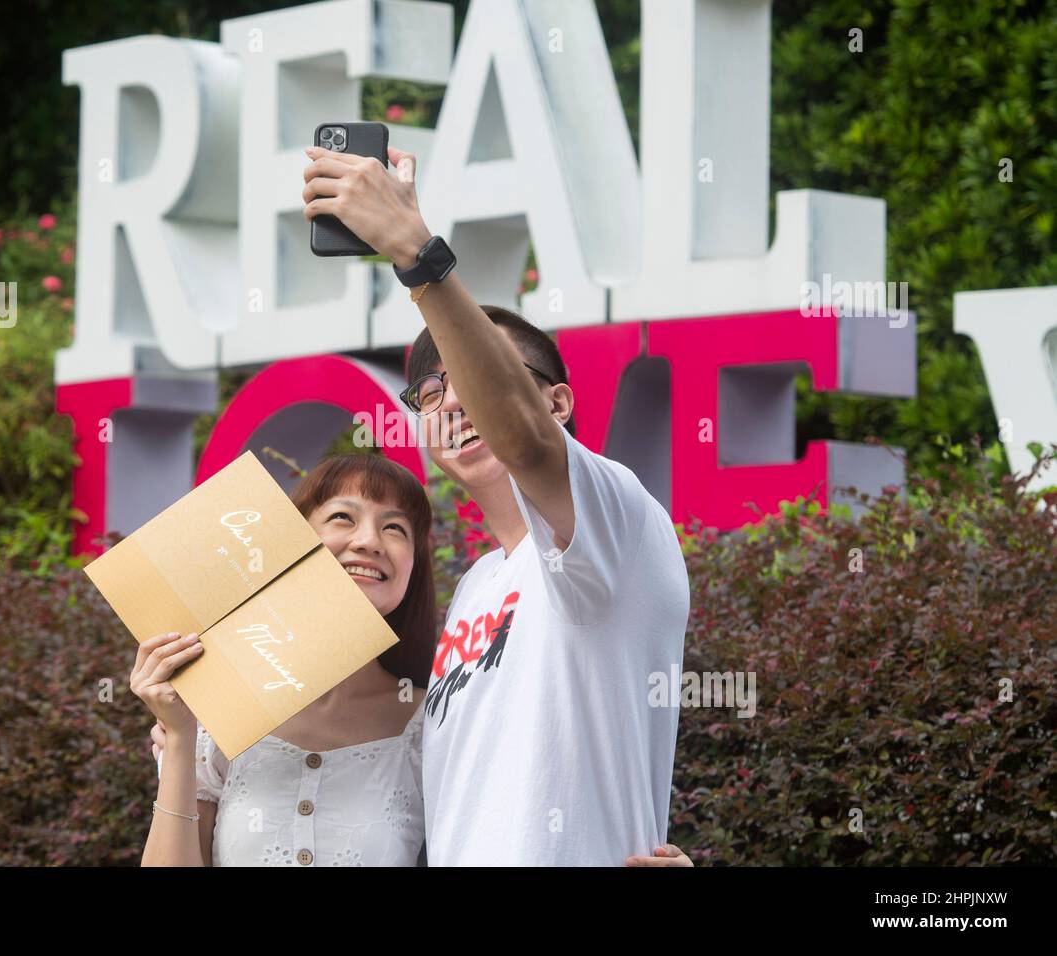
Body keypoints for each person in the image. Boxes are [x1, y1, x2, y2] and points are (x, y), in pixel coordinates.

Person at [297, 140, 692, 865]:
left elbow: (524, 438)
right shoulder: (477, 584)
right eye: (432, 389)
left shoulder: (617, 517)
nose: (454, 400)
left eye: (476, 377)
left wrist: (418, 256)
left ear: (558, 402)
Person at [136, 454, 693, 867]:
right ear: (292, 542)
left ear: (412, 567)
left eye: (395, 528)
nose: (369, 541)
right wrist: (181, 740)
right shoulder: (217, 716)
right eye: (341, 519)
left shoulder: (435, 723)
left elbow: (537, 800)